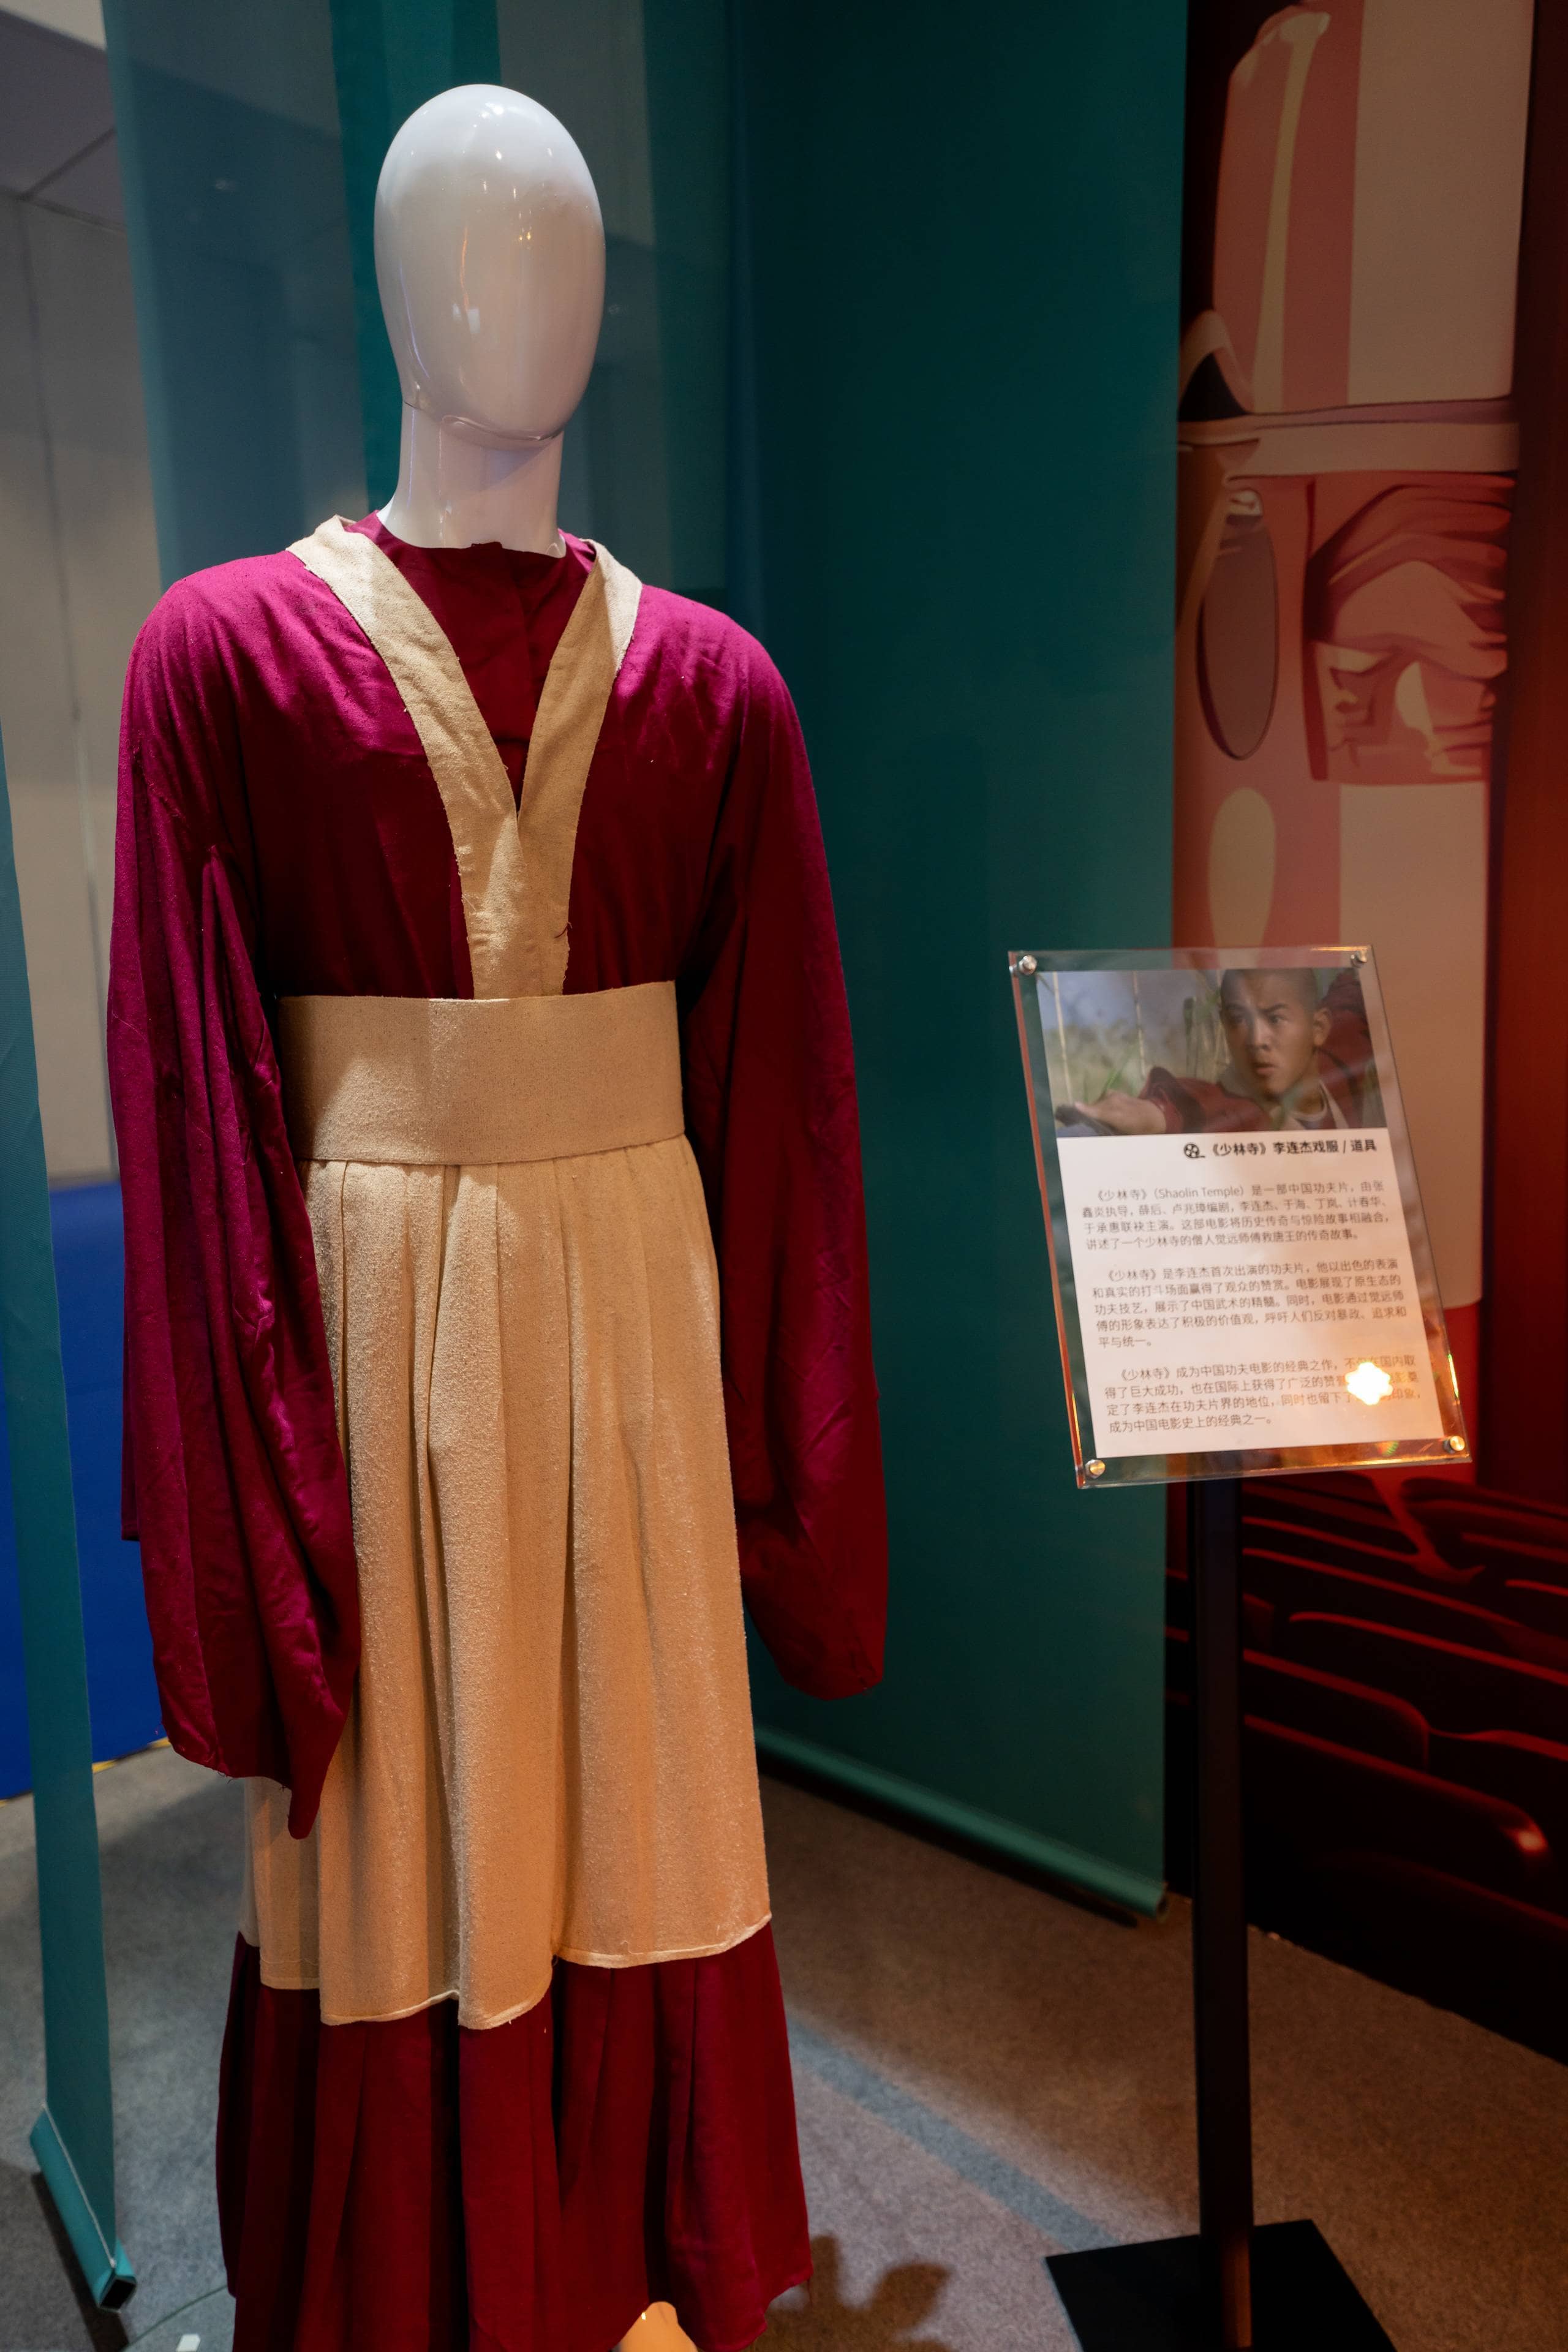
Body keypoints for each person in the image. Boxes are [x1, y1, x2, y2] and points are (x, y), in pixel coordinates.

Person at [1072, 967, 1373, 1136]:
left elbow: (1350, 999)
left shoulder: (1342, 1060)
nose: (1256, 1040)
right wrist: (1153, 1114)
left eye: (1275, 1019)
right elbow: (1193, 1105)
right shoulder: (1232, 1111)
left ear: (1319, 1028)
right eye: (1239, 1019)